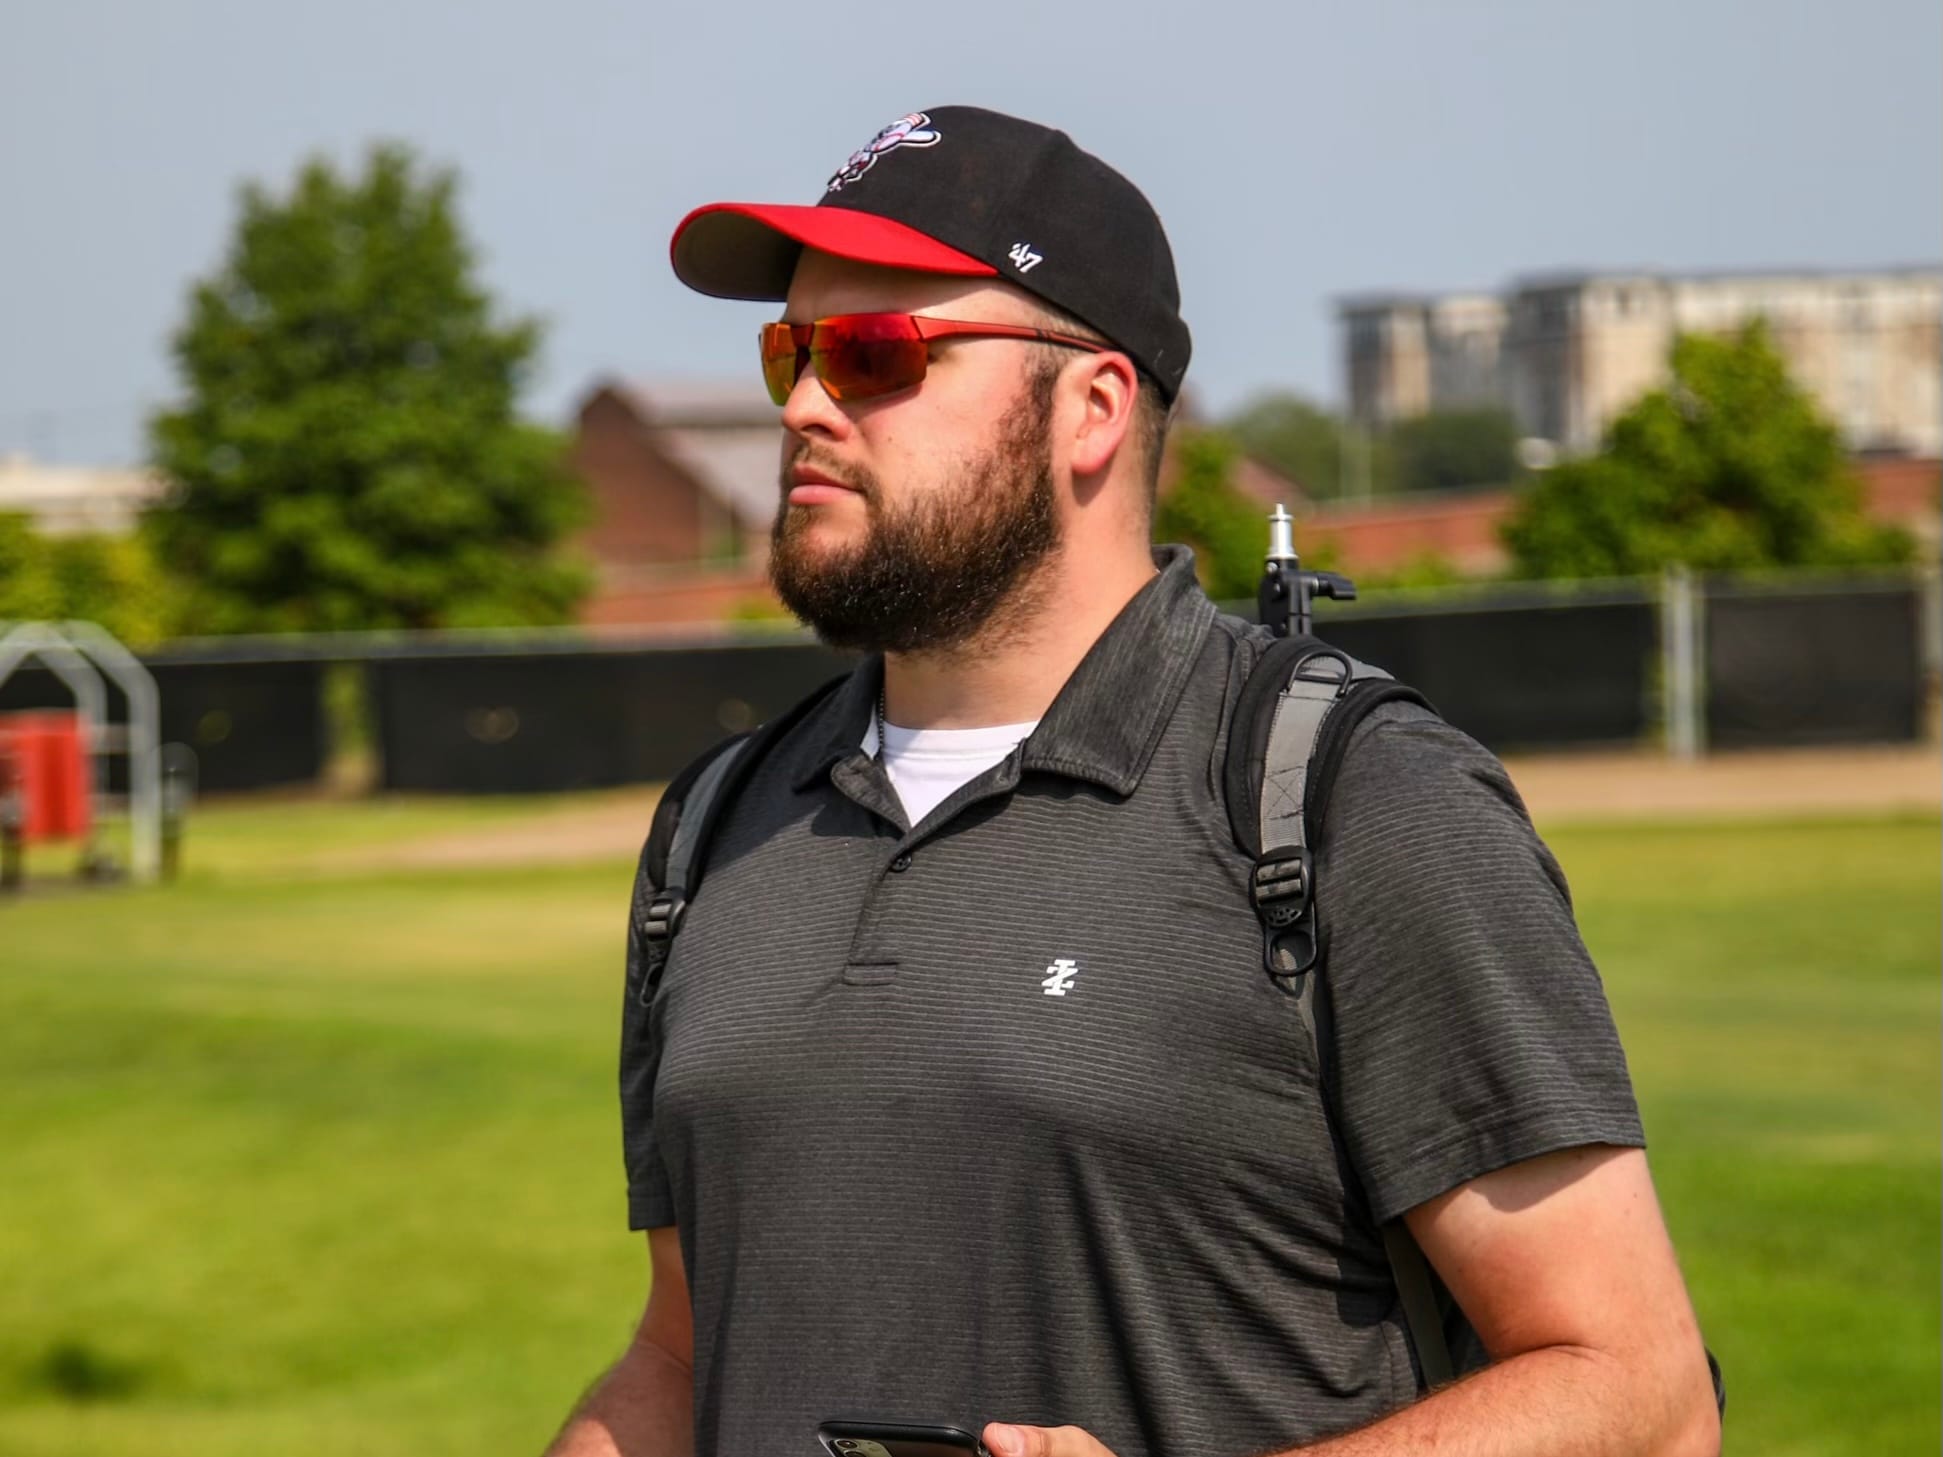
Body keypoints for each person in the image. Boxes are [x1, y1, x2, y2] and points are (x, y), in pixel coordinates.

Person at [545, 106, 1721, 1457]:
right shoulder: (713, 828)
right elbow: (685, 1347)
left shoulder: (1345, 798)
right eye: (790, 352)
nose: (807, 404)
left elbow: (1641, 1391)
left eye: (877, 352)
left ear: (1091, 407)